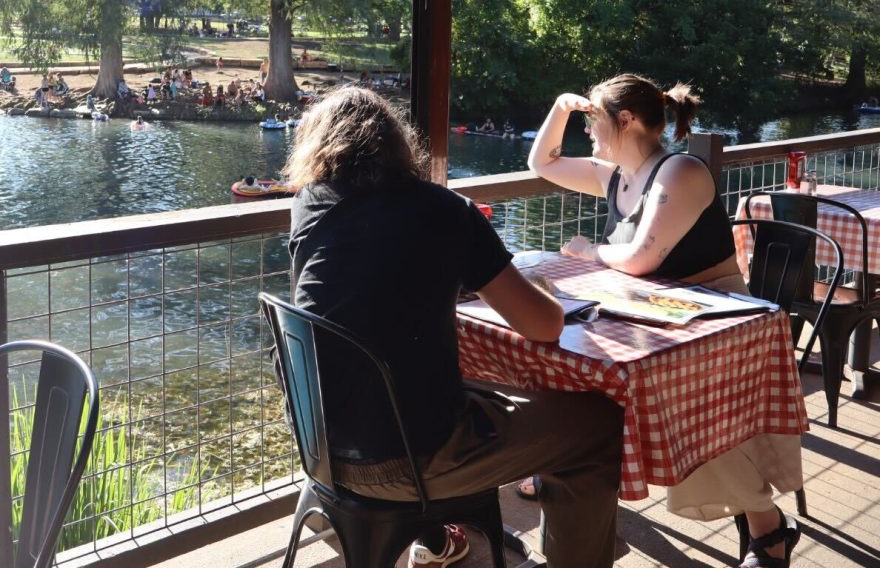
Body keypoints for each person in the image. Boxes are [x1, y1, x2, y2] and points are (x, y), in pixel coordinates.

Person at [286, 87, 623, 568]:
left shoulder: (309, 207)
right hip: (408, 462)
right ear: (402, 145)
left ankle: (438, 539)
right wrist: (540, 286)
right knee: (598, 423)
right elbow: (545, 327)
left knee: (441, 383)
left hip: (321, 447)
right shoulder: (445, 210)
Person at [527, 74, 802, 567]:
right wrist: (560, 109)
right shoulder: (612, 175)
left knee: (695, 424)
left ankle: (769, 528)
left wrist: (591, 250)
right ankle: (586, 511)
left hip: (718, 317)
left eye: (593, 122)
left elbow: (639, 259)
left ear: (626, 121)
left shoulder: (680, 171)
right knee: (585, 385)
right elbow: (540, 162)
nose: (588, 133)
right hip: (651, 314)